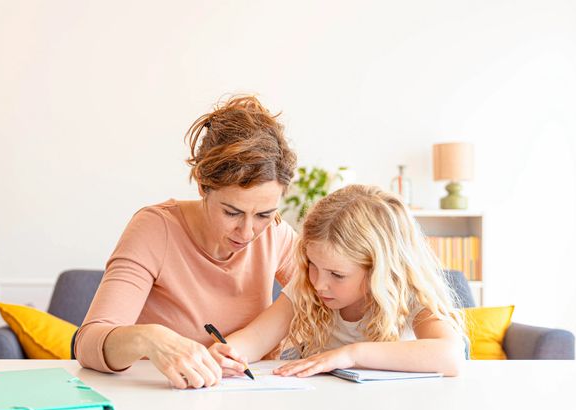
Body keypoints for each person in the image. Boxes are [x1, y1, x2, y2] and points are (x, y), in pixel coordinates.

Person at [74, 95, 299, 388]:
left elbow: (334, 300)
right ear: (203, 184)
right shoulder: (155, 229)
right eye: (232, 212)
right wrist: (150, 338)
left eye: (264, 214)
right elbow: (87, 343)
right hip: (162, 402)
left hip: (249, 404)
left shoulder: (275, 235)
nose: (247, 232)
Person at [209, 184, 467, 378]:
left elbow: (451, 356)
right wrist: (225, 353)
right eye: (312, 266)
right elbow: (256, 337)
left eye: (337, 275)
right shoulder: (308, 288)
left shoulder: (409, 297)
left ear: (380, 270)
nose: (319, 284)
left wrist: (351, 355)